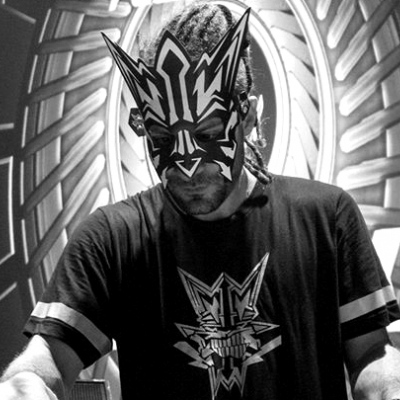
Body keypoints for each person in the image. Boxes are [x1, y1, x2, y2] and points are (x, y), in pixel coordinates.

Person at [1, 2, 400, 399]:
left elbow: (371, 356)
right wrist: (23, 387)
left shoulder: (326, 218)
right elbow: (45, 365)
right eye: (162, 140)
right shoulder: (111, 239)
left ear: (247, 117)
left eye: (207, 135)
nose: (188, 166)